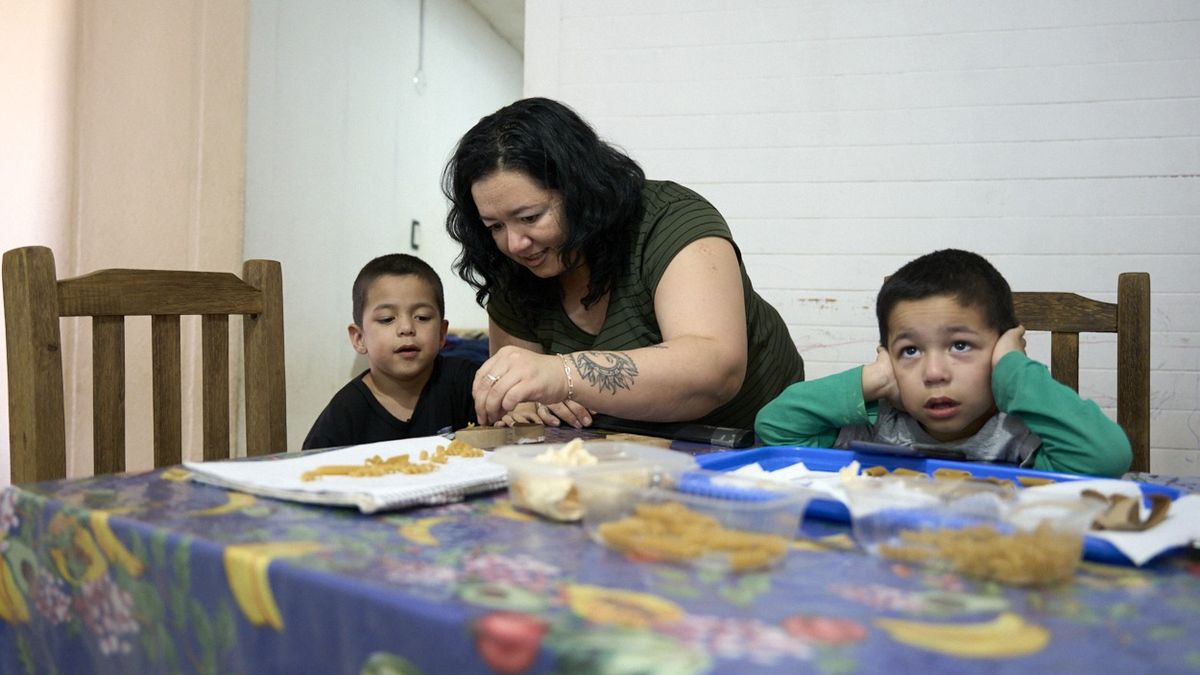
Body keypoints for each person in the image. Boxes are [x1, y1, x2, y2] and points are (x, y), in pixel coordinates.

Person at [442, 97, 804, 433]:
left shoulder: (668, 219)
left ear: (580, 190)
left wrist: (563, 374)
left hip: (755, 441)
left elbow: (715, 368)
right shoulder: (511, 262)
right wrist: (526, 403)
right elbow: (518, 396)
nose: (515, 243)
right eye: (495, 226)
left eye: (530, 217)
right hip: (622, 451)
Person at [755, 249, 1132, 477]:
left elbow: (1104, 457)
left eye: (961, 345)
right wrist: (874, 378)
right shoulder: (879, 425)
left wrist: (1011, 370)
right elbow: (776, 428)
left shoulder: (1020, 436)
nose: (934, 373)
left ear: (1000, 350)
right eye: (910, 351)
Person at [303, 254, 478, 449]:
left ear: (441, 333)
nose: (406, 328)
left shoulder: (468, 383)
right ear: (359, 338)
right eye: (387, 319)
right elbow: (309, 464)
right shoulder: (345, 413)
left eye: (422, 317)